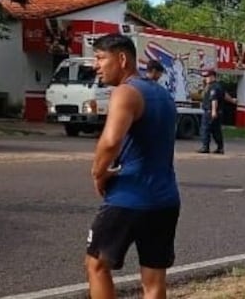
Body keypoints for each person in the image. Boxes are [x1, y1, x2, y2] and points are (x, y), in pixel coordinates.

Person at [85, 33, 181, 299]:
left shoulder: (126, 92)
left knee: (96, 265)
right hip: (165, 199)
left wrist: (98, 174)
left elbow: (110, 141)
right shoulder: (162, 94)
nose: (96, 65)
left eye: (101, 58)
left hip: (129, 198)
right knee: (153, 281)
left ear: (123, 58)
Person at [197, 69, 235, 154]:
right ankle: (220, 148)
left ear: (212, 76)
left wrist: (213, 111)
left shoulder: (213, 87)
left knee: (205, 129)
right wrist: (232, 100)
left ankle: (205, 147)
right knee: (216, 131)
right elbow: (225, 95)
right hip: (218, 112)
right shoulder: (218, 86)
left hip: (210, 112)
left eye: (207, 76)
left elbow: (214, 100)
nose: (206, 78)